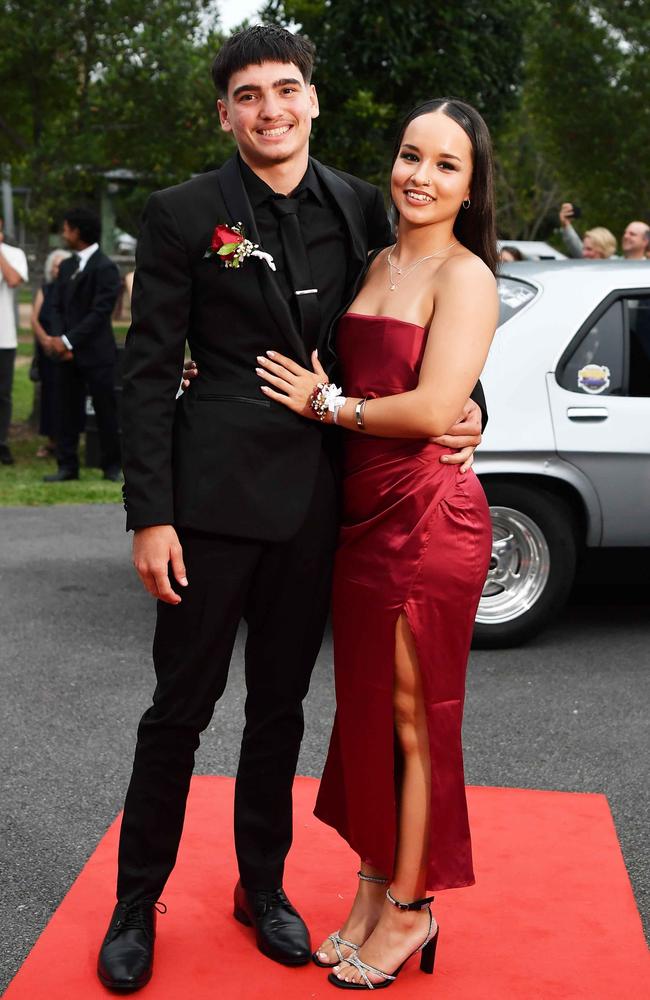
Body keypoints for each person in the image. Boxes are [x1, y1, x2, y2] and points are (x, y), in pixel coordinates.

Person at [96, 26, 486, 993]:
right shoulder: (184, 214)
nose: (269, 109)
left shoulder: (364, 205)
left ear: (312, 98)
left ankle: (261, 889)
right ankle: (135, 904)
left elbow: (422, 330)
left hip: (328, 507)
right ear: (225, 112)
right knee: (177, 713)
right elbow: (147, 376)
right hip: (210, 506)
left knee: (282, 711)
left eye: (285, 90)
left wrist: (473, 413)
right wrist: (150, 515)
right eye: (247, 96)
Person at [255, 97, 497, 990]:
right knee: (366, 714)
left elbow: (437, 408)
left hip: (428, 518)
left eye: (445, 165)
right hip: (359, 519)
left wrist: (331, 406)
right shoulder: (375, 259)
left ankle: (413, 907)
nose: (419, 177)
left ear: (471, 189)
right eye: (409, 155)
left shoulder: (465, 276)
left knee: (413, 718)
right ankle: (373, 881)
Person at [45, 208, 122, 482]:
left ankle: (111, 466)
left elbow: (100, 313)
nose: (63, 234)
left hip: (96, 353)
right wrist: (57, 339)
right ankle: (67, 466)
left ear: (77, 231)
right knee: (65, 410)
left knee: (105, 410)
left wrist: (68, 340)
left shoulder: (106, 268)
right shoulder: (66, 266)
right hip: (65, 355)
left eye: (66, 228)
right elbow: (55, 305)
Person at [30, 249, 76, 458]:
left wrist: (65, 344)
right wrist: (46, 340)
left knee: (68, 396)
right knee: (49, 396)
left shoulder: (75, 289)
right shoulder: (45, 289)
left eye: (62, 264)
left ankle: (68, 441)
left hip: (69, 349)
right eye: (56, 265)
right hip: (47, 350)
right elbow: (34, 318)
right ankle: (51, 441)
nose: (59, 268)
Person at [0, 216, 29, 466]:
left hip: (4, 336)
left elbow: (12, 280)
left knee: (3, 394)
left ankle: (2, 443)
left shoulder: (13, 253)